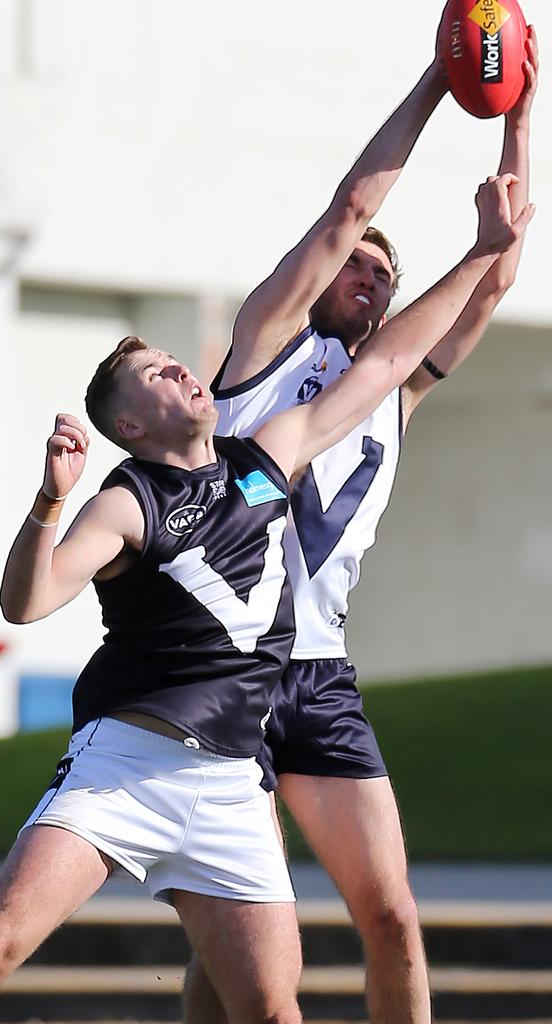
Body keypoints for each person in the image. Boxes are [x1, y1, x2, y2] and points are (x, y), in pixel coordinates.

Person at [0, 173, 532, 1024]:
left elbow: (388, 360)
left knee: (269, 1005)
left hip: (229, 776)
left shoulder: (264, 464)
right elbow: (28, 602)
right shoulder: (131, 498)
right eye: (157, 372)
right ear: (133, 425)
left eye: (173, 362)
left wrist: (486, 248)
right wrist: (49, 502)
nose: (184, 370)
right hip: (130, 761)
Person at [184, 25, 538, 1024]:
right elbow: (348, 212)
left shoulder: (392, 389)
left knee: (391, 916)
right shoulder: (261, 352)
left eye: (387, 277)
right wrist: (441, 80)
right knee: (249, 944)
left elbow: (497, 270)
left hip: (322, 675)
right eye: (360, 269)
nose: (372, 279)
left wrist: (516, 113)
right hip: (227, 669)